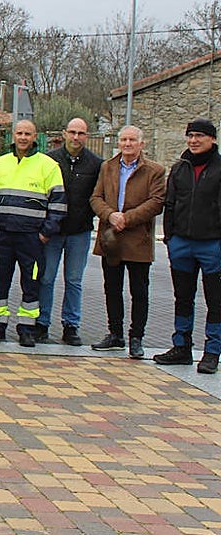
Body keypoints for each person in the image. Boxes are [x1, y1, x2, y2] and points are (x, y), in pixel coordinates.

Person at [0, 119, 66, 347]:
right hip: (2, 235)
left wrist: (46, 233)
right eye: (19, 133)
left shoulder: (48, 165)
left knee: (31, 283)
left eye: (28, 133)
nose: (23, 137)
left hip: (32, 237)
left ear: (35, 136)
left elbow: (58, 204)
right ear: (13, 135)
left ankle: (27, 329)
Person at [88, 125, 165, 359]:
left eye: (132, 140)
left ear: (142, 144)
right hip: (111, 238)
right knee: (112, 288)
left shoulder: (155, 170)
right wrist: (110, 215)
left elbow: (157, 201)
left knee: (139, 291)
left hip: (137, 239)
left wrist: (127, 219)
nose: (127, 144)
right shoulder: (107, 167)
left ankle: (136, 337)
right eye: (124, 140)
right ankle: (115, 334)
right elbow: (95, 197)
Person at [154, 118, 221, 374]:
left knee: (215, 301)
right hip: (182, 244)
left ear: (212, 139)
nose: (194, 140)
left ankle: (212, 351)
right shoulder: (179, 168)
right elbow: (169, 206)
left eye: (200, 136)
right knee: (183, 298)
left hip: (212, 244)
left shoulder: (219, 168)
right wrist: (171, 239)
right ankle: (181, 347)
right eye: (190, 135)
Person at [37, 118, 102, 346]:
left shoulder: (96, 164)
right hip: (52, 231)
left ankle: (71, 326)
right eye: (72, 132)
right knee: (46, 278)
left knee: (74, 280)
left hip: (79, 231)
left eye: (81, 133)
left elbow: (99, 196)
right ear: (64, 133)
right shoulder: (49, 160)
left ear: (87, 136)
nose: (76, 137)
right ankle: (42, 323)